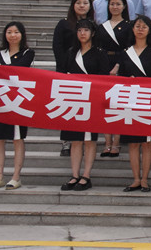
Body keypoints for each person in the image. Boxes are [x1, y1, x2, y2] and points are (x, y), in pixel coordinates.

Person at [116, 16, 151, 192]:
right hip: (130, 101)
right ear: (132, 29)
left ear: (149, 30)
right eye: (137, 26)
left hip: (148, 100)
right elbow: (120, 77)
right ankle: (136, 179)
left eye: (144, 27)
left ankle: (145, 179)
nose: (140, 29)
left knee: (147, 143)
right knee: (132, 143)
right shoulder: (125, 52)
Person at [57, 19, 109, 191]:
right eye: (79, 30)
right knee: (75, 140)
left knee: (89, 140)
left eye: (86, 30)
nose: (82, 33)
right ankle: (75, 175)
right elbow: (62, 75)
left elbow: (104, 79)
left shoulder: (100, 53)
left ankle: (86, 176)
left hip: (91, 101)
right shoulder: (71, 52)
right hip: (72, 100)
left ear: (92, 33)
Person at [0, 22, 34, 190]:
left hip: (18, 101)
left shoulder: (28, 53)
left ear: (22, 34)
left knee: (17, 138)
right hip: (0, 100)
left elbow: (19, 70)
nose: (13, 35)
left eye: (16, 32)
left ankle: (16, 177)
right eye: (9, 32)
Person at [95, 0, 130, 158]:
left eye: (118, 4)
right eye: (112, 4)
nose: (115, 7)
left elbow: (128, 49)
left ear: (124, 6)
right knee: (104, 105)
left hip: (121, 65)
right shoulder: (102, 26)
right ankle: (107, 142)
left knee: (119, 104)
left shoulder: (129, 26)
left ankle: (116, 142)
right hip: (103, 64)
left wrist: (118, 66)